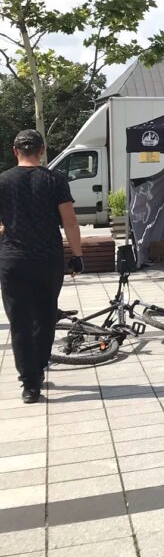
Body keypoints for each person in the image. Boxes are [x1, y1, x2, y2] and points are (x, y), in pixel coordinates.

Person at [0, 130, 83, 403]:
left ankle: (29, 384)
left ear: (15, 151)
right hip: (48, 260)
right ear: (42, 150)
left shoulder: (2, 181)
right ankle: (38, 366)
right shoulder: (55, 180)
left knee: (20, 322)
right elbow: (70, 222)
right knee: (45, 317)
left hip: (13, 261)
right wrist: (77, 255)